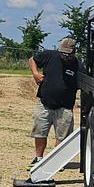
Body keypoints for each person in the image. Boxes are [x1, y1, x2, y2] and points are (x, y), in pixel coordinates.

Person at [27, 38, 79, 170]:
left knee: (62, 135)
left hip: (65, 106)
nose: (64, 56)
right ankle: (38, 158)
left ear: (74, 52)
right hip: (44, 102)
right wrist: (35, 74)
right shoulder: (49, 55)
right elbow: (32, 60)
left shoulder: (78, 65)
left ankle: (57, 160)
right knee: (40, 131)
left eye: (68, 54)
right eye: (62, 53)